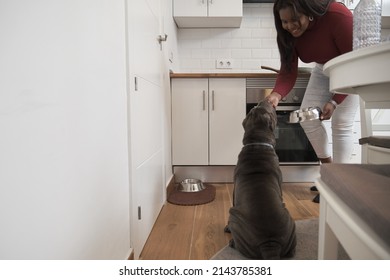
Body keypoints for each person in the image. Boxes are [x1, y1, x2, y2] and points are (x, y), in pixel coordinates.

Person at [267, 0, 359, 202]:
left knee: (341, 123)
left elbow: (354, 64)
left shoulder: (338, 16)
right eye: (284, 22)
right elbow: (288, 71)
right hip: (322, 69)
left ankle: (341, 186)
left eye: (294, 20)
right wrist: (276, 95)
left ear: (307, 12)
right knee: (307, 118)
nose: (290, 26)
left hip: (349, 68)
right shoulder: (287, 34)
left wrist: (335, 101)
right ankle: (330, 176)